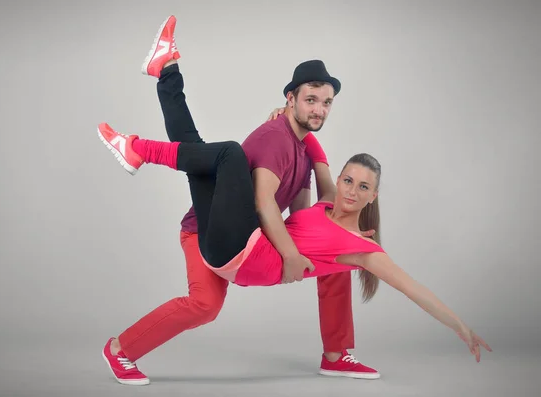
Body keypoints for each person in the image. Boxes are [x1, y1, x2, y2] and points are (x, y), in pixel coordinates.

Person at [97, 68, 492, 372]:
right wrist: (288, 117)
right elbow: (311, 149)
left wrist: (459, 325)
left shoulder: (362, 249)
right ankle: (166, 72)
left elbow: (413, 288)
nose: (352, 191)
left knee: (227, 155)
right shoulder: (318, 206)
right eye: (348, 180)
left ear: (374, 196)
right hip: (225, 239)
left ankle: (137, 149)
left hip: (239, 248)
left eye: (364, 188)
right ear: (336, 180)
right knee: (202, 157)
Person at [99, 15, 373, 386]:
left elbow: (303, 213)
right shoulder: (276, 138)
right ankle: (119, 349)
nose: (319, 110)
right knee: (205, 302)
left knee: (190, 144)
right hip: (208, 231)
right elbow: (264, 202)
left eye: (326, 102)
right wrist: (292, 256)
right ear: (290, 99)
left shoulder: (301, 146)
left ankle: (166, 69)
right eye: (310, 100)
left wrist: (328, 242)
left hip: (242, 233)